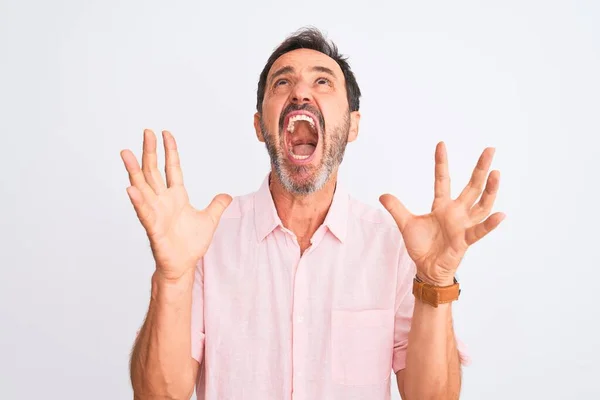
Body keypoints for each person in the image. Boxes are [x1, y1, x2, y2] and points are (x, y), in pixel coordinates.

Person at [121, 27, 504, 400]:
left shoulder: (396, 246)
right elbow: (157, 394)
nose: (301, 92)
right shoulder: (206, 241)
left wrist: (435, 281)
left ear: (352, 125)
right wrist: (172, 277)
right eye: (282, 83)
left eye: (323, 83)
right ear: (259, 126)